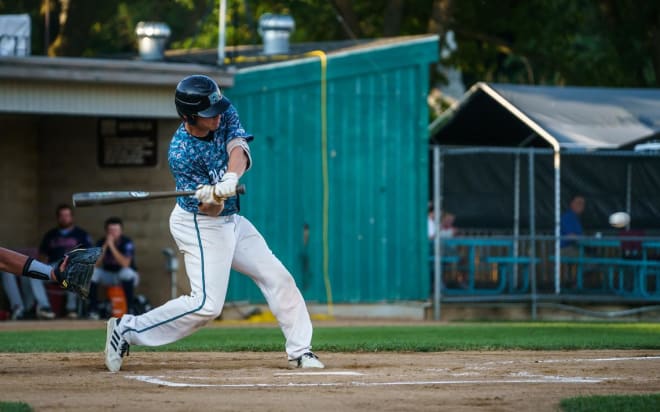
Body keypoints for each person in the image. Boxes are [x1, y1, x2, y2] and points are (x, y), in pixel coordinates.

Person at [104, 74, 324, 372]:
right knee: (207, 305)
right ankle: (125, 329)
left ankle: (301, 351)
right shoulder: (181, 153)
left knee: (277, 276)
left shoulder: (223, 112)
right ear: (188, 117)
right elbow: (208, 211)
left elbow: (238, 150)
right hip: (199, 223)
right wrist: (213, 198)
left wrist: (229, 179)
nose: (217, 116)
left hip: (231, 220)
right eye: (208, 115)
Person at [39, 204, 93, 318]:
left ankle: (71, 309)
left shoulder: (81, 234)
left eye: (67, 215)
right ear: (58, 218)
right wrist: (43, 266)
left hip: (71, 267)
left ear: (72, 217)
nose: (64, 218)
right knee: (34, 275)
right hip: (53, 267)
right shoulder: (50, 235)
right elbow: (42, 256)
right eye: (62, 215)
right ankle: (44, 307)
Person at [87, 217, 139, 320]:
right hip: (108, 275)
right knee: (92, 273)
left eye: (116, 230)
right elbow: (95, 264)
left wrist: (112, 246)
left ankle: (130, 309)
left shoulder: (126, 242)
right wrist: (106, 245)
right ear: (106, 232)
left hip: (126, 275)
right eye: (111, 231)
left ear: (121, 231)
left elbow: (125, 264)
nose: (114, 233)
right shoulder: (101, 242)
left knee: (126, 272)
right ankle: (93, 309)